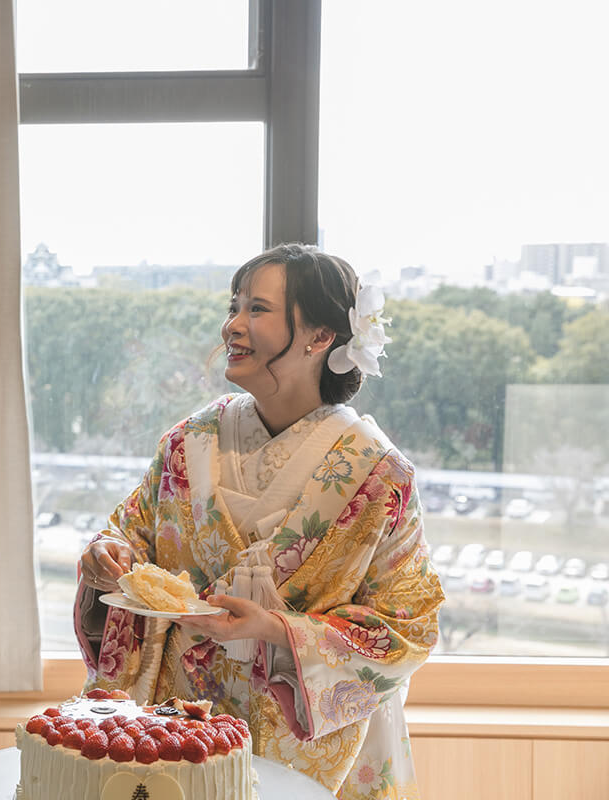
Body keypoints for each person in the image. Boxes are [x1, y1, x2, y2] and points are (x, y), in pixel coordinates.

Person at [76, 244, 444, 800]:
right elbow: (131, 535)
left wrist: (274, 629)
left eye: (257, 309)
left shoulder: (378, 474)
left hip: (312, 748)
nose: (233, 326)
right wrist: (107, 558)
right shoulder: (188, 443)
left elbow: (407, 625)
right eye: (234, 306)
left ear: (320, 338)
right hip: (180, 725)